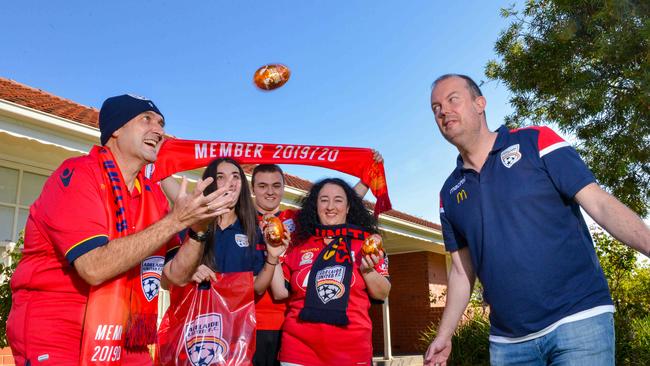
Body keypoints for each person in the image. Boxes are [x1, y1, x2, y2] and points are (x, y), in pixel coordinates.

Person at [424, 74, 650, 366]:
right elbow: (460, 272)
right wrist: (444, 335)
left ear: (480, 103)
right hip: (508, 344)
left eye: (453, 99)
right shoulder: (449, 193)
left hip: (578, 321)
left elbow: (600, 204)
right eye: (436, 107)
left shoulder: (536, 142)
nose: (444, 110)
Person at [7, 94, 234, 365]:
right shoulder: (78, 175)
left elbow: (173, 275)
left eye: (161, 123)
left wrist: (197, 230)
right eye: (146, 120)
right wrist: (176, 221)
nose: (159, 131)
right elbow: (93, 267)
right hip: (61, 330)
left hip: (128, 333)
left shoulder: (153, 195)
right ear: (115, 129)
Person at [250, 161, 381, 366]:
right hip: (247, 321)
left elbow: (333, 208)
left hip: (283, 321)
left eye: (276, 185)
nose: (270, 192)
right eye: (262, 186)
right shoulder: (239, 218)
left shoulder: (295, 221)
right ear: (252, 188)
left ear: (284, 187)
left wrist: (368, 174)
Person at [185, 158, 287, 295]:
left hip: (236, 315)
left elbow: (258, 288)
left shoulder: (253, 229)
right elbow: (167, 280)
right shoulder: (192, 223)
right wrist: (188, 271)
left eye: (235, 176)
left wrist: (272, 257)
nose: (230, 183)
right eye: (220, 177)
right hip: (196, 312)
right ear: (210, 182)